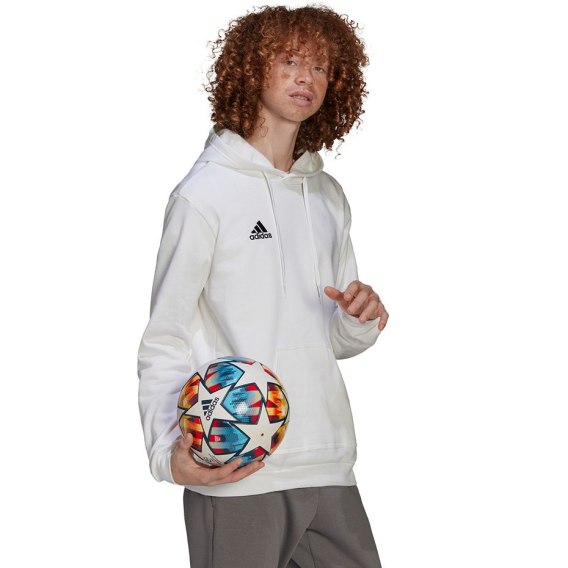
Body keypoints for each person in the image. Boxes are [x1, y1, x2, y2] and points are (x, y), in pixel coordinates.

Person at [138, 5, 389, 567]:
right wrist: (166, 450)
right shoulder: (204, 194)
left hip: (327, 459)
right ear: (252, 70)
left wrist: (357, 318)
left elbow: (334, 338)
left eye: (321, 67)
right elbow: (165, 336)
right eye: (290, 61)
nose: (307, 78)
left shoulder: (328, 196)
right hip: (239, 464)